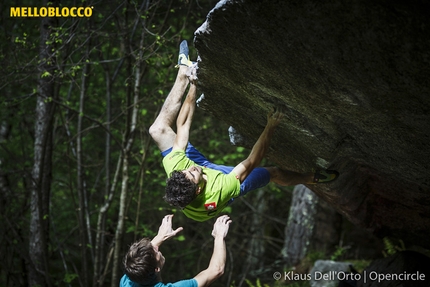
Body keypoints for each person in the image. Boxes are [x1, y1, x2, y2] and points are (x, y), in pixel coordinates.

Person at [149, 40, 339, 222]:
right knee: (272, 173)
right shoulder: (222, 189)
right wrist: (270, 126)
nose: (189, 169)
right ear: (198, 189)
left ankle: (184, 72)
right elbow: (252, 160)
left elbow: (183, 125)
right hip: (218, 185)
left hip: (200, 177)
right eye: (191, 174)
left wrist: (194, 85)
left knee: (158, 131)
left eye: (185, 171)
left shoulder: (178, 168)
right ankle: (311, 178)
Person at [121, 214, 232, 287]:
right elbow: (217, 270)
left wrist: (160, 237)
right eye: (155, 251)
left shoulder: (127, 281)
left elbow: (140, 260)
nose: (156, 248)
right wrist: (219, 236)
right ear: (156, 268)